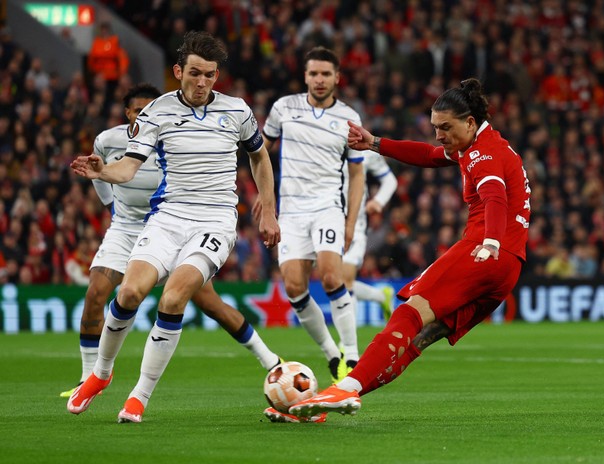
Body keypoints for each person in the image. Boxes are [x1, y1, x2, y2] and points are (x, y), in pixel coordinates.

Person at [67, 31, 280, 424]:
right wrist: (104, 171)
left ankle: (139, 396)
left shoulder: (237, 111)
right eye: (195, 73)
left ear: (218, 75)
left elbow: (260, 158)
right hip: (168, 216)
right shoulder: (157, 112)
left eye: (210, 75)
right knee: (129, 291)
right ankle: (100, 373)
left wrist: (268, 208)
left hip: (215, 219)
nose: (202, 83)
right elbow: (130, 166)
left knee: (173, 298)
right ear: (178, 71)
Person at [290, 78, 531, 419]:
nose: (438, 135)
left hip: (484, 250)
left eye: (445, 128)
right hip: (508, 268)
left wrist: (490, 240)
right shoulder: (482, 145)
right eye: (435, 127)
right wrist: (375, 142)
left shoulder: (483, 153)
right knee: (419, 338)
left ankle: (345, 388)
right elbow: (431, 156)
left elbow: (494, 196)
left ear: (470, 122)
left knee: (408, 312)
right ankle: (340, 395)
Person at [255, 46, 365, 423]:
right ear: (305, 77)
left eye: (326, 74)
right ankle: (331, 354)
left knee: (332, 275)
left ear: (337, 78)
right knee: (294, 287)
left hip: (327, 208)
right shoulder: (284, 108)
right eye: (313, 73)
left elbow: (357, 172)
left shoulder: (349, 118)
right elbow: (261, 153)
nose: (319, 79)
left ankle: (351, 356)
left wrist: (350, 220)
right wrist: (265, 199)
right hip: (291, 209)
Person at [342, 151, 398, 321]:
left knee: (345, 280)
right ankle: (382, 296)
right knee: (333, 281)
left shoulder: (365, 153)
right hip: (326, 223)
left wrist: (378, 201)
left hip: (355, 224)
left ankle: (347, 345)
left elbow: (390, 180)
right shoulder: (321, 146)